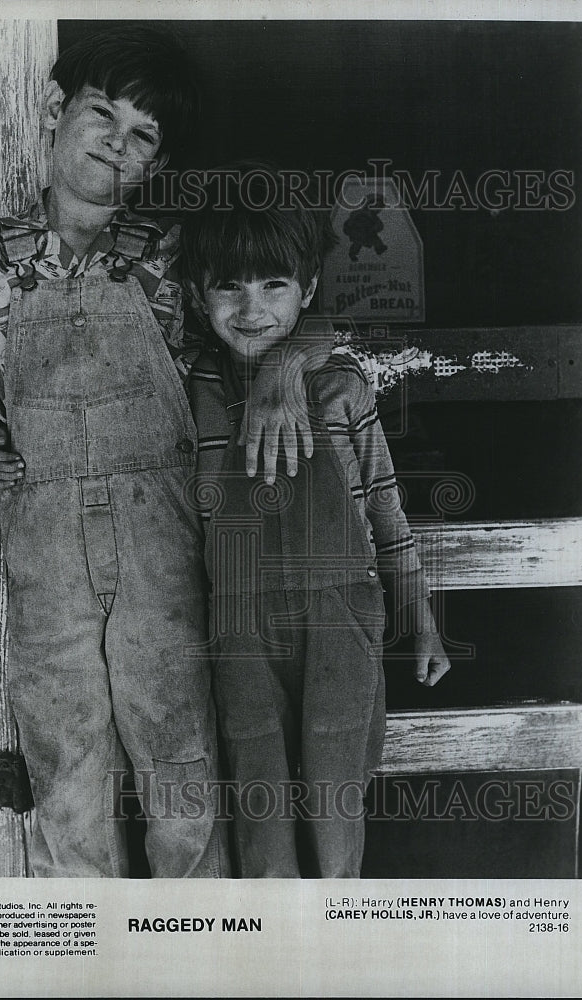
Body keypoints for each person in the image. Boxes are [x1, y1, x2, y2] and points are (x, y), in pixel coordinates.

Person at [0, 29, 323, 878]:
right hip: (45, 544)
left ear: (157, 161)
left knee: (179, 756)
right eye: (102, 115)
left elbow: (271, 314)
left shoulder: (173, 255)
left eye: (143, 136)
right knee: (66, 760)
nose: (116, 143)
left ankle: (200, 930)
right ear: (53, 113)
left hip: (158, 540)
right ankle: (86, 941)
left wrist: (292, 364)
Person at [181, 167, 452, 878]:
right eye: (228, 286)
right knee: (259, 795)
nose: (251, 307)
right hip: (236, 621)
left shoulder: (342, 387)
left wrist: (418, 616)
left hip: (343, 616)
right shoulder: (190, 387)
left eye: (274, 286)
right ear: (194, 293)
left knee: (336, 800)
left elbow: (387, 510)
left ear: (306, 292)